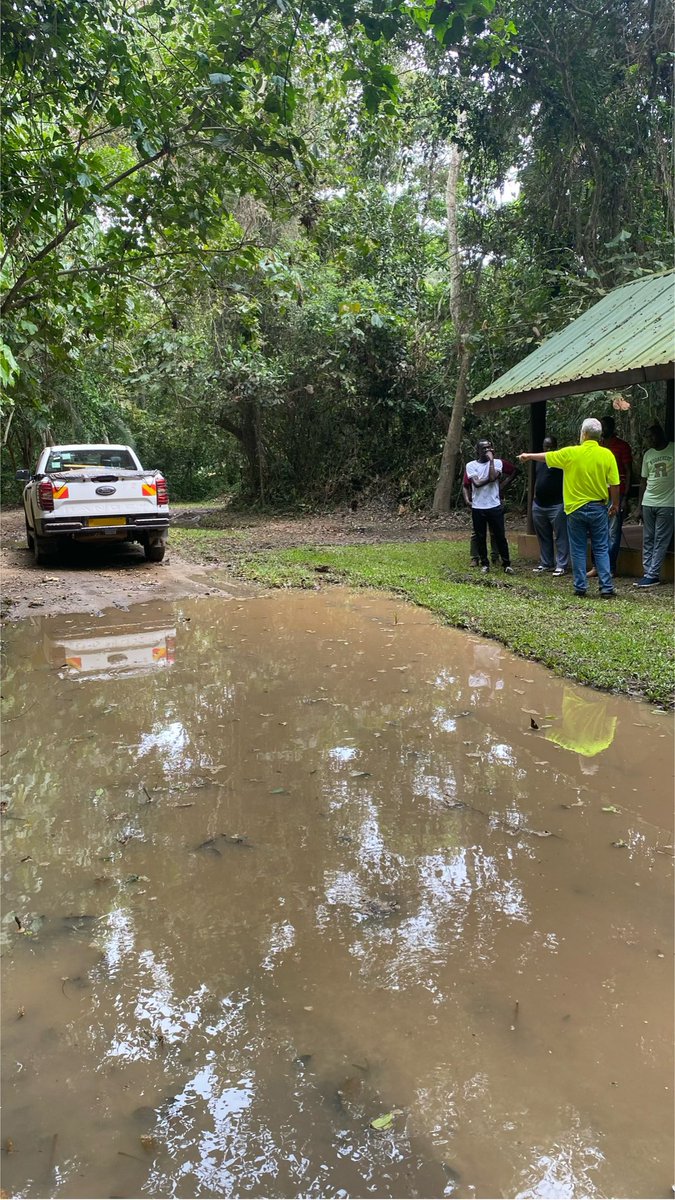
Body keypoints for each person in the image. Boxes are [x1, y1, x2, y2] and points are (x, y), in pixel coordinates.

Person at [518, 418, 619, 598]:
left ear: (584, 434)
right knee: (601, 547)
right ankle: (606, 588)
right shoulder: (607, 455)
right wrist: (615, 504)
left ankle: (580, 587)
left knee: (578, 548)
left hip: (575, 510)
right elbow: (615, 483)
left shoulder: (571, 453)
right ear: (598, 436)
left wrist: (528, 455)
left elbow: (547, 456)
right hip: (598, 507)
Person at [588, 414, 632, 577]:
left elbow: (628, 471)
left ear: (612, 428)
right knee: (595, 530)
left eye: (605, 426)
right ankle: (596, 566)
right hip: (597, 495)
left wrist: (625, 497)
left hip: (615, 495)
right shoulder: (596, 446)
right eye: (601, 426)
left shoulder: (622, 446)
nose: (603, 429)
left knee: (612, 532)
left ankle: (609, 567)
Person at [633, 422, 674, 587]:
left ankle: (653, 574)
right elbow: (643, 482)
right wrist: (639, 506)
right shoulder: (648, 454)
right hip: (649, 501)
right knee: (648, 538)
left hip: (668, 503)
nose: (649, 439)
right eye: (647, 437)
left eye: (651, 436)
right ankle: (647, 572)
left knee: (660, 539)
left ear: (661, 434)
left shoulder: (673, 449)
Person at [465, 438, 514, 575]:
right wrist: (491, 479)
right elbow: (477, 483)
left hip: (494, 505)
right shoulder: (471, 465)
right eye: (484, 448)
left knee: (500, 536)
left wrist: (491, 461)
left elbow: (493, 477)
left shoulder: (497, 462)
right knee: (480, 536)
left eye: (489, 447)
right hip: (478, 506)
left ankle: (506, 563)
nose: (488, 450)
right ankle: (484, 563)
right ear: (478, 451)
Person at [531, 435, 568, 575]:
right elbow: (538, 478)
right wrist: (534, 496)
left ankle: (561, 564)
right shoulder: (539, 461)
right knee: (543, 535)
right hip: (539, 504)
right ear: (543, 447)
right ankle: (546, 563)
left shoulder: (561, 460)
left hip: (557, 504)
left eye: (552, 447)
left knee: (561, 535)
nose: (549, 450)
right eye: (547, 447)